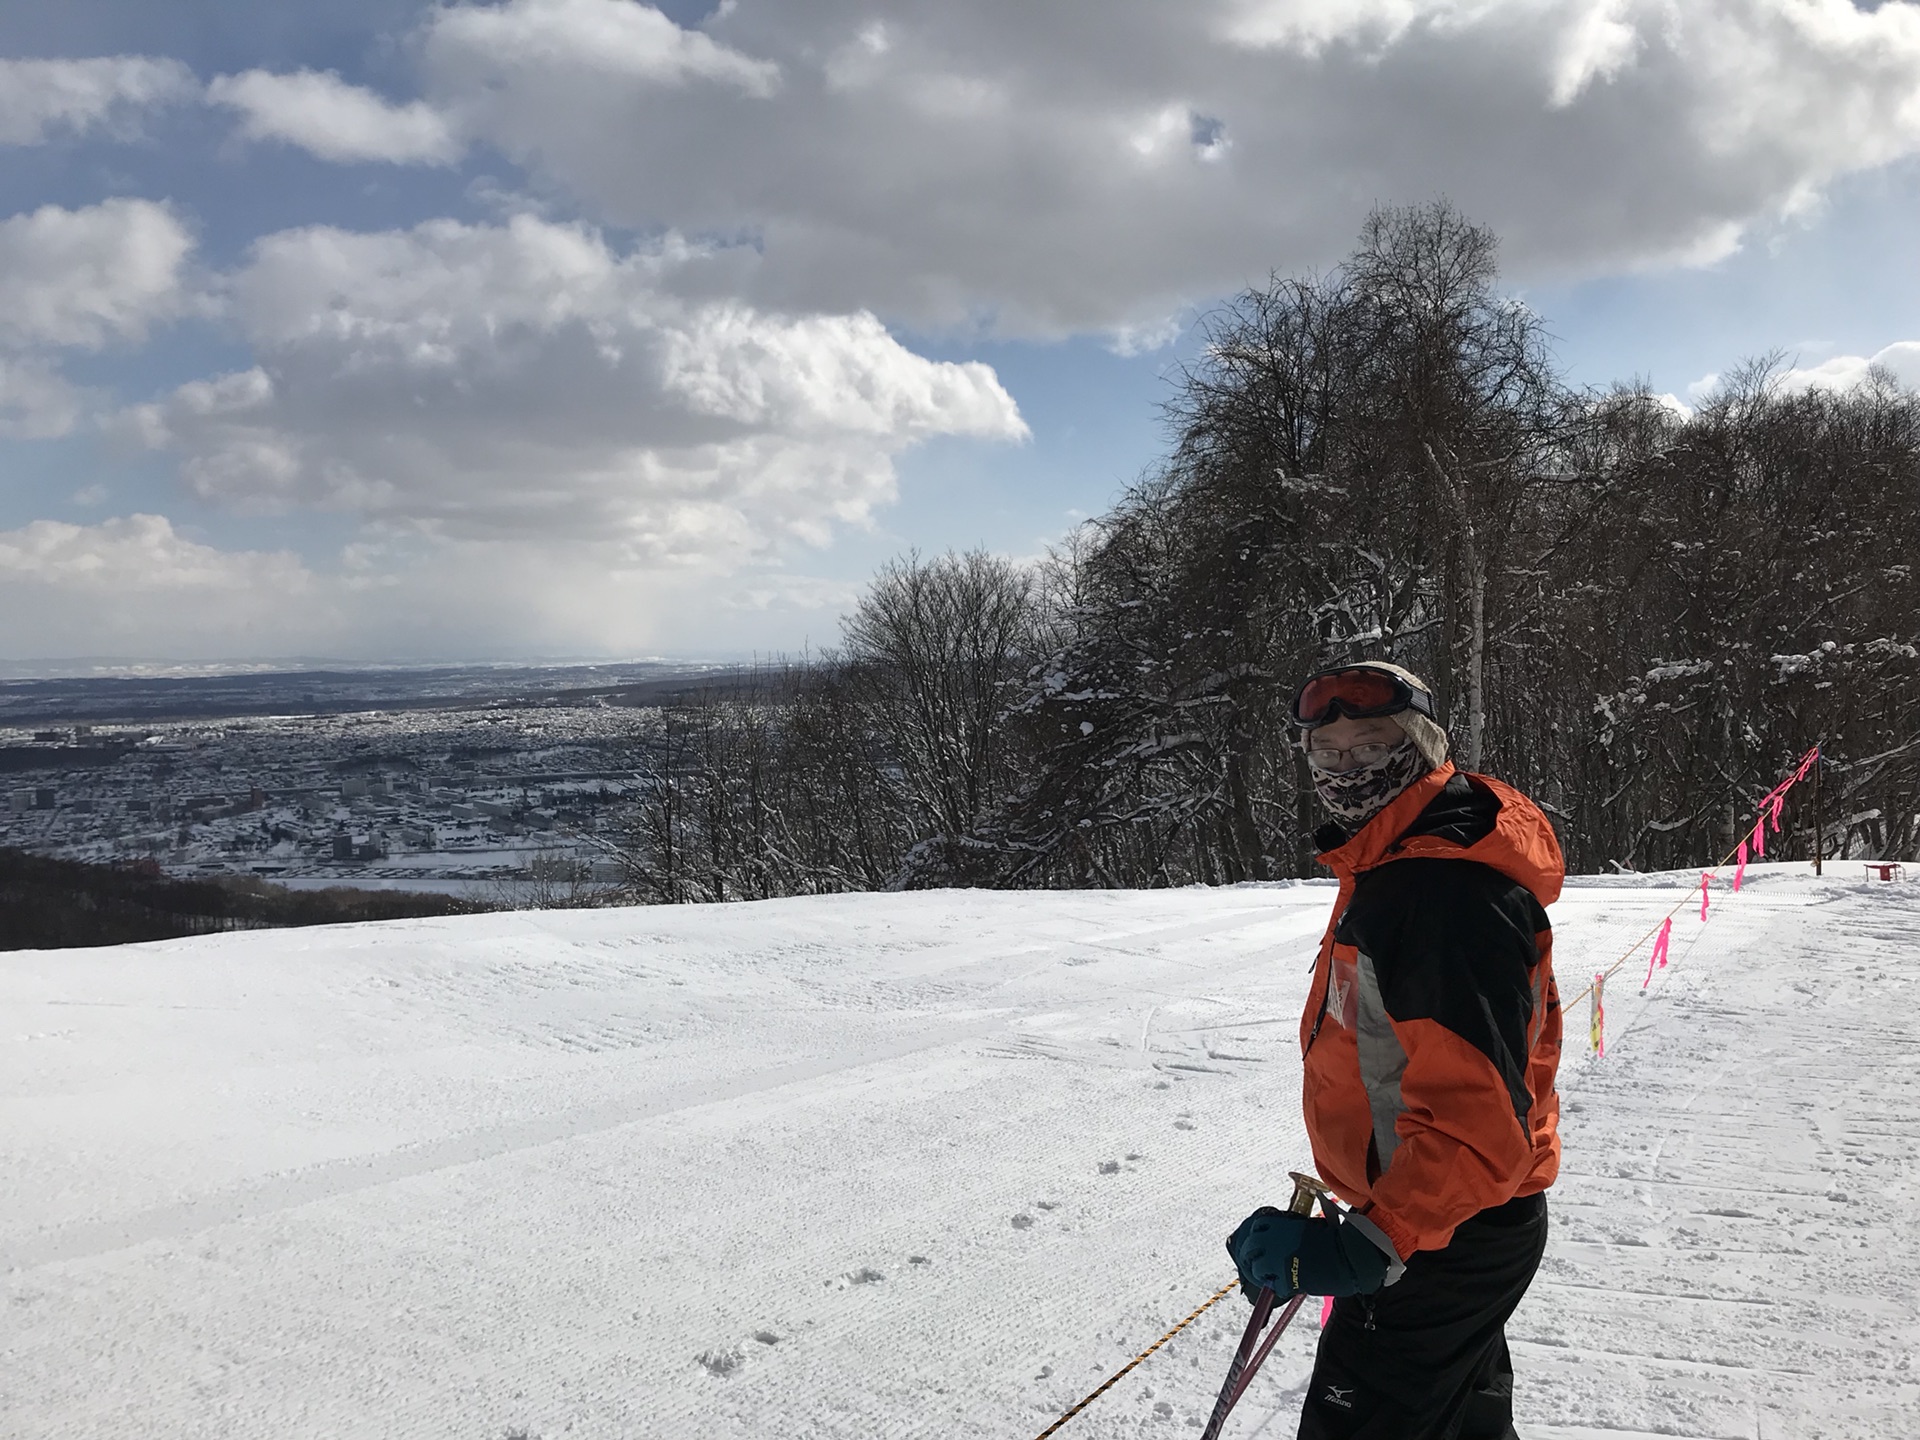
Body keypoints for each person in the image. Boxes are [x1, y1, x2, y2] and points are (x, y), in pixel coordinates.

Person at [1225, 660, 1564, 1439]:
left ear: (1418, 745)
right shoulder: (1392, 864)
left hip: (1441, 1230)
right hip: (1453, 1219)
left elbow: (1477, 1121)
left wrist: (1376, 1243)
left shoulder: (1438, 893)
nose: (1347, 770)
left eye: (1370, 744)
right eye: (1329, 753)